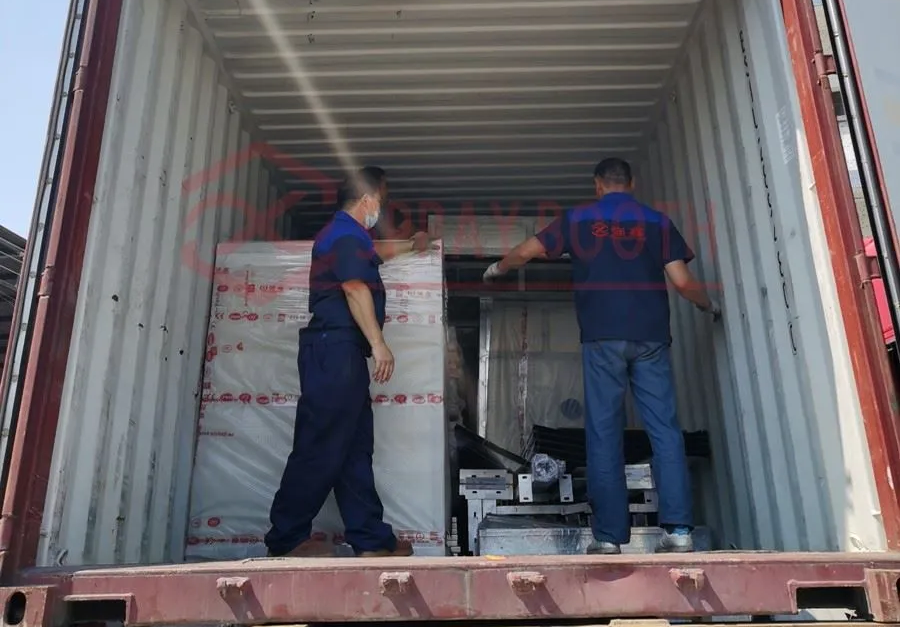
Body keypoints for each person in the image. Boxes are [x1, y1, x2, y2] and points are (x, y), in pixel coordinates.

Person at [484, 157, 720, 554]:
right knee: (665, 430)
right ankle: (679, 531)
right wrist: (708, 305)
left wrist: (498, 268)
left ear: (597, 185)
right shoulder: (656, 222)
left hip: (602, 339)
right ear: (632, 183)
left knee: (604, 432)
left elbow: (526, 251)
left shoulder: (578, 219)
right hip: (651, 338)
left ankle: (609, 538)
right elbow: (682, 281)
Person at [265, 166, 428, 558]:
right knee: (319, 444)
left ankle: (370, 539)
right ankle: (286, 539)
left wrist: (412, 245)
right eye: (381, 201)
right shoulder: (344, 235)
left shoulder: (351, 237)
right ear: (367, 200)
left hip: (342, 352)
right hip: (334, 350)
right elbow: (354, 287)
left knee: (355, 449)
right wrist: (379, 344)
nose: (381, 209)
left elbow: (376, 256)